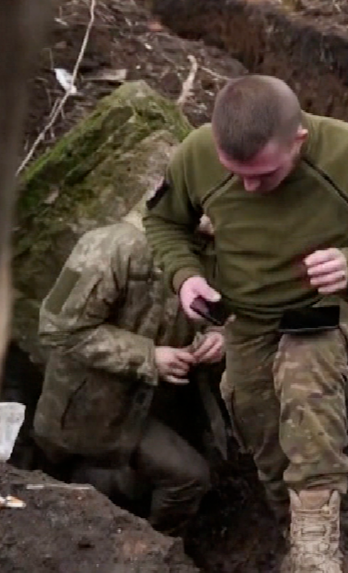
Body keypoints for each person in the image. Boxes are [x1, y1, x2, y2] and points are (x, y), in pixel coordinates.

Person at [143, 75, 348, 572]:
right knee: (255, 418)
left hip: (330, 309)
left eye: (265, 175)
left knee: (302, 372)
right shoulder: (195, 155)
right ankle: (288, 524)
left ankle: (317, 548)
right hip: (247, 320)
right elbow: (164, 223)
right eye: (239, 174)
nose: (251, 187)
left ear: (298, 140)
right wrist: (185, 277)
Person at [33, 200, 221, 537]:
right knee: (182, 479)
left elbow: (228, 310)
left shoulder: (212, 252)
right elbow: (57, 327)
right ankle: (150, 550)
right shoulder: (111, 245)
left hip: (154, 408)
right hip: (92, 412)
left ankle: (151, 541)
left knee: (171, 480)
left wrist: (220, 335)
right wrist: (148, 357)